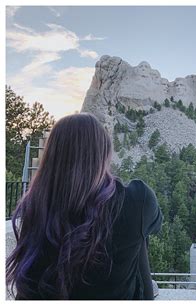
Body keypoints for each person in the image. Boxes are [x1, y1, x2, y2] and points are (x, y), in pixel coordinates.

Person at [6, 114, 163, 299]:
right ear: (103, 154)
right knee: (138, 232)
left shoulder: (36, 207)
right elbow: (156, 224)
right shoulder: (137, 198)